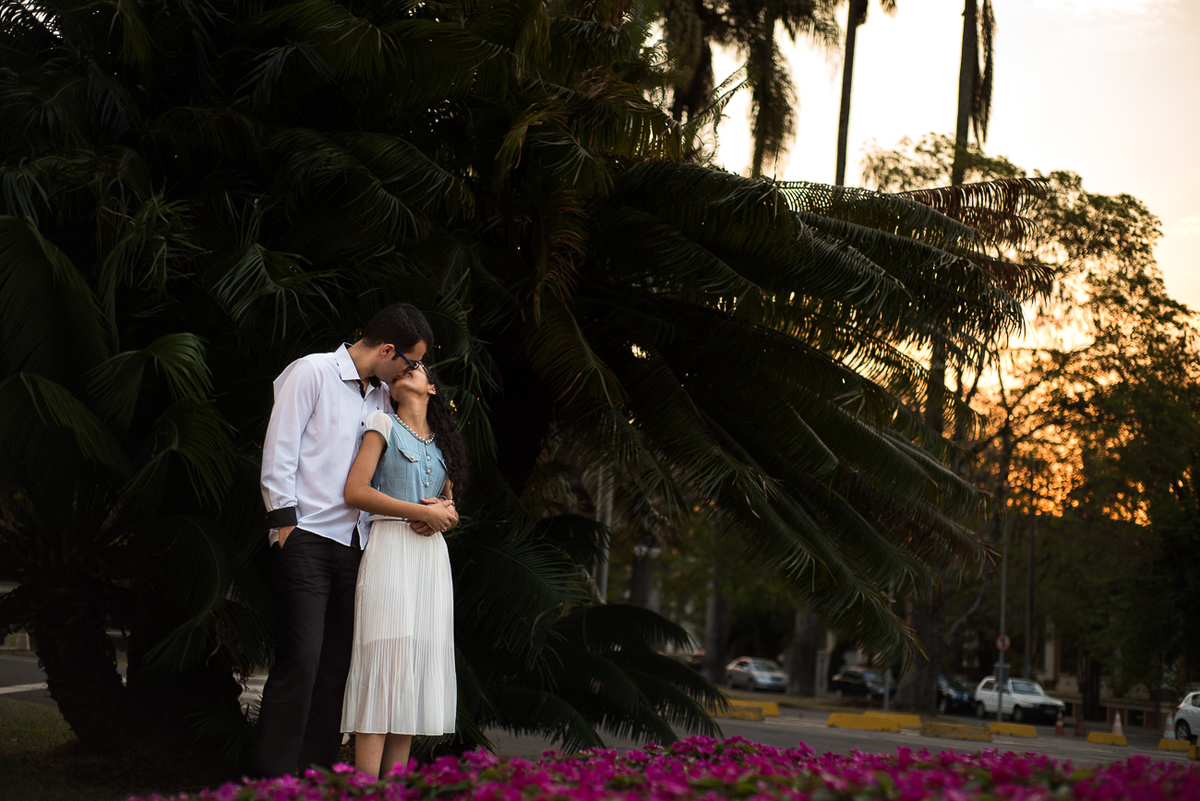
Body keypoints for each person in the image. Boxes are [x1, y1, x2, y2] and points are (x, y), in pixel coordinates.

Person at [254, 303, 456, 778]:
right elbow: (279, 450)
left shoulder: (385, 398)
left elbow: (406, 464)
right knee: (301, 659)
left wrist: (431, 511)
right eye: (411, 361)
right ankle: (271, 783)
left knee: (336, 666)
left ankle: (316, 778)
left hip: (361, 546)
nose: (412, 371)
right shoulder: (313, 372)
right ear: (388, 350)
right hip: (306, 536)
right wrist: (284, 526)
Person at [341, 361, 468, 778]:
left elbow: (451, 508)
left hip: (429, 561)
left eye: (417, 367)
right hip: (390, 551)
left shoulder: (443, 443)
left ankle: (393, 790)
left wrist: (446, 513)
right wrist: (419, 511)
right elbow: (355, 491)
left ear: (432, 388)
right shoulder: (382, 423)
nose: (405, 370)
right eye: (401, 367)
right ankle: (364, 789)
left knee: (409, 676)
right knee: (383, 668)